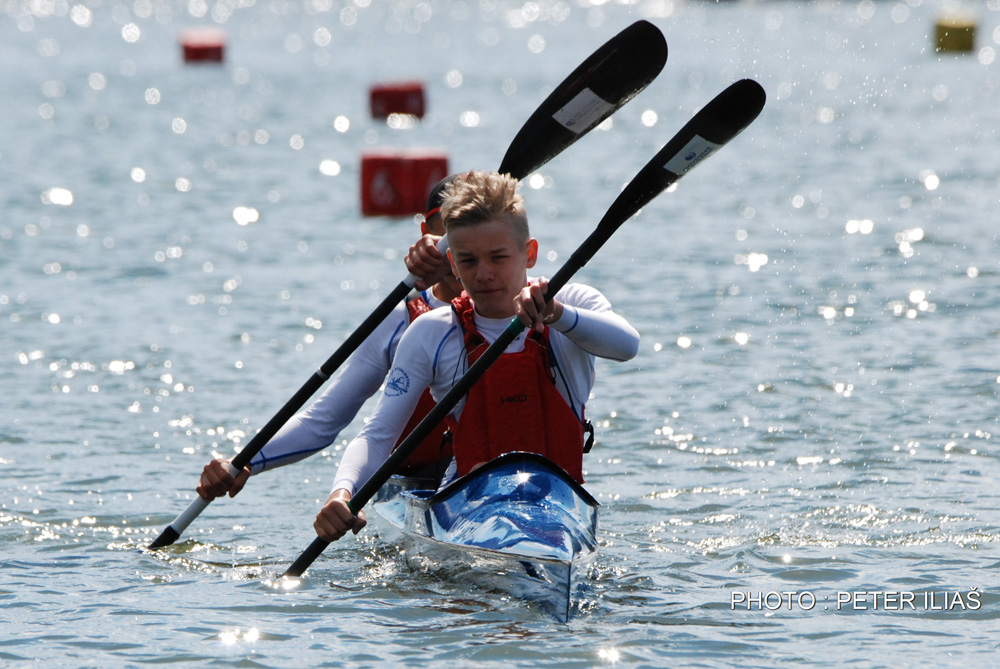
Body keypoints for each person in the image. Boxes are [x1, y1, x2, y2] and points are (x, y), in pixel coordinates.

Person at [313, 170, 639, 542]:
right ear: (451, 264)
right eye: (468, 261)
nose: (483, 274)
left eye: (498, 257)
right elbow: (378, 436)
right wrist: (342, 492)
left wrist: (557, 314)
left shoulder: (574, 303)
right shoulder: (433, 331)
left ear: (529, 253)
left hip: (560, 507)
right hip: (468, 509)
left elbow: (627, 346)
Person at [195, 176, 462, 500]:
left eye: (468, 229)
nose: (457, 243)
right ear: (426, 235)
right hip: (415, 483)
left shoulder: (525, 307)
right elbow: (322, 422)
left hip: (496, 478)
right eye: (447, 228)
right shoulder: (400, 318)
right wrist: (242, 462)